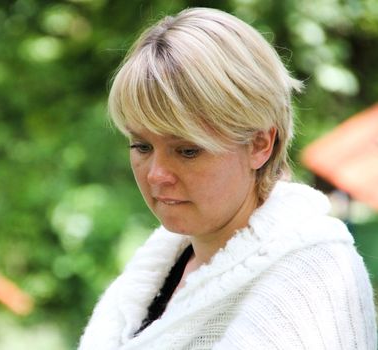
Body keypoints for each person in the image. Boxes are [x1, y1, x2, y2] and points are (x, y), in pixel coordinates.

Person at [78, 7, 377, 350]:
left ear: (260, 144)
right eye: (141, 146)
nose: (157, 174)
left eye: (188, 150)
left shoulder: (310, 279)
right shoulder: (160, 266)